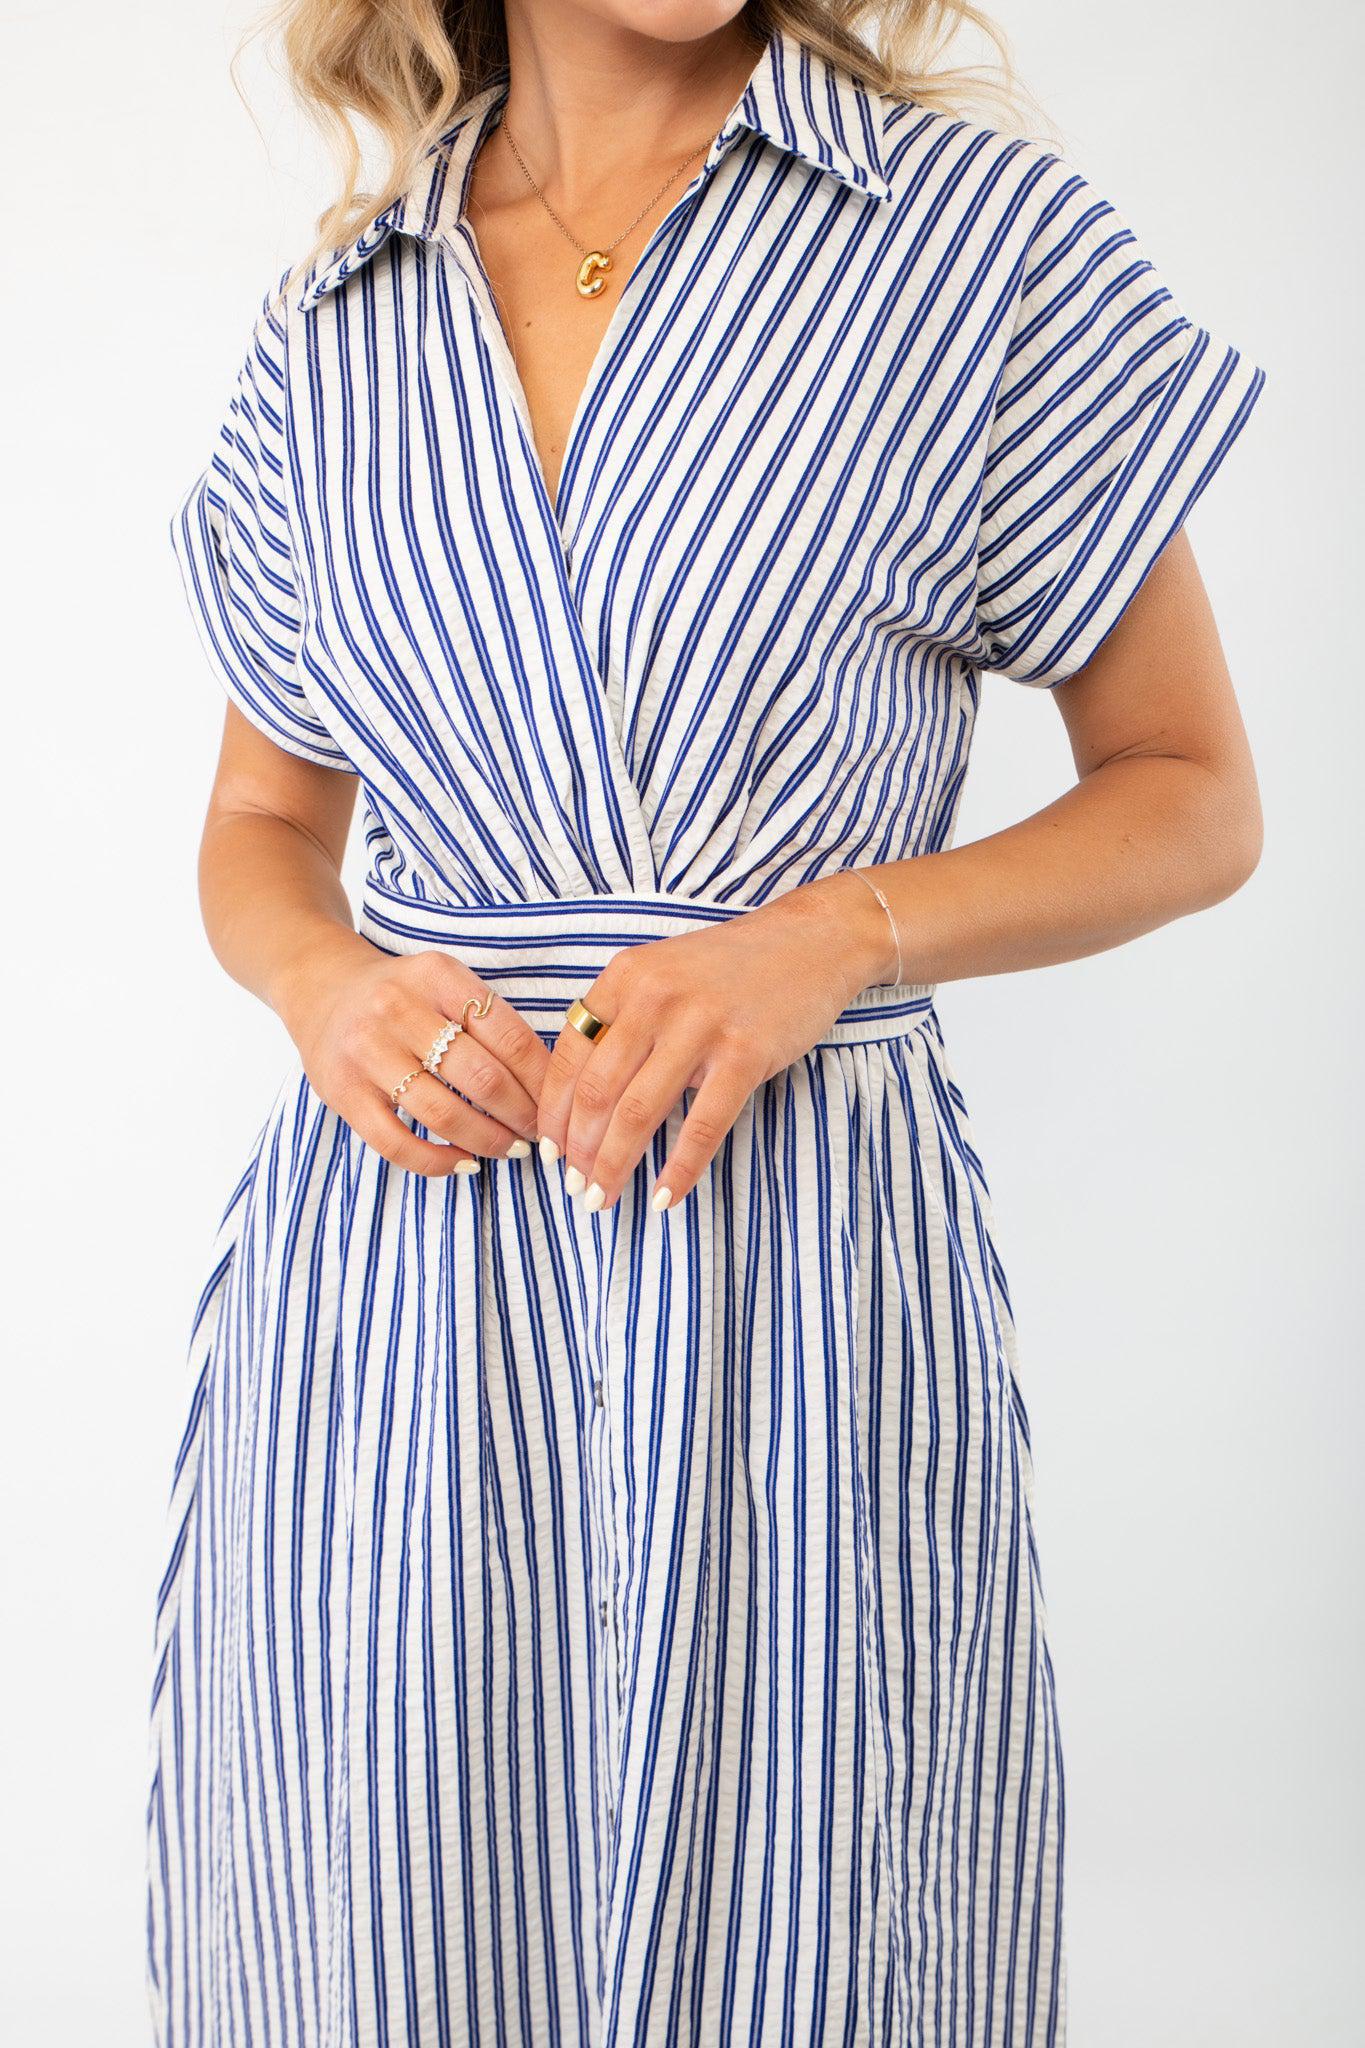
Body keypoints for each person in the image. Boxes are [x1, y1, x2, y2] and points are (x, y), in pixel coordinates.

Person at [144, 2, 1266, 2041]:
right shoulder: (341, 320)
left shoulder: (972, 246)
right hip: (399, 1291)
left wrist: (829, 934)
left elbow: (1192, 790)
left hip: (798, 1271)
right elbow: (256, 822)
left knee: (814, 1947)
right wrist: (327, 984)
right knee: (386, 1944)